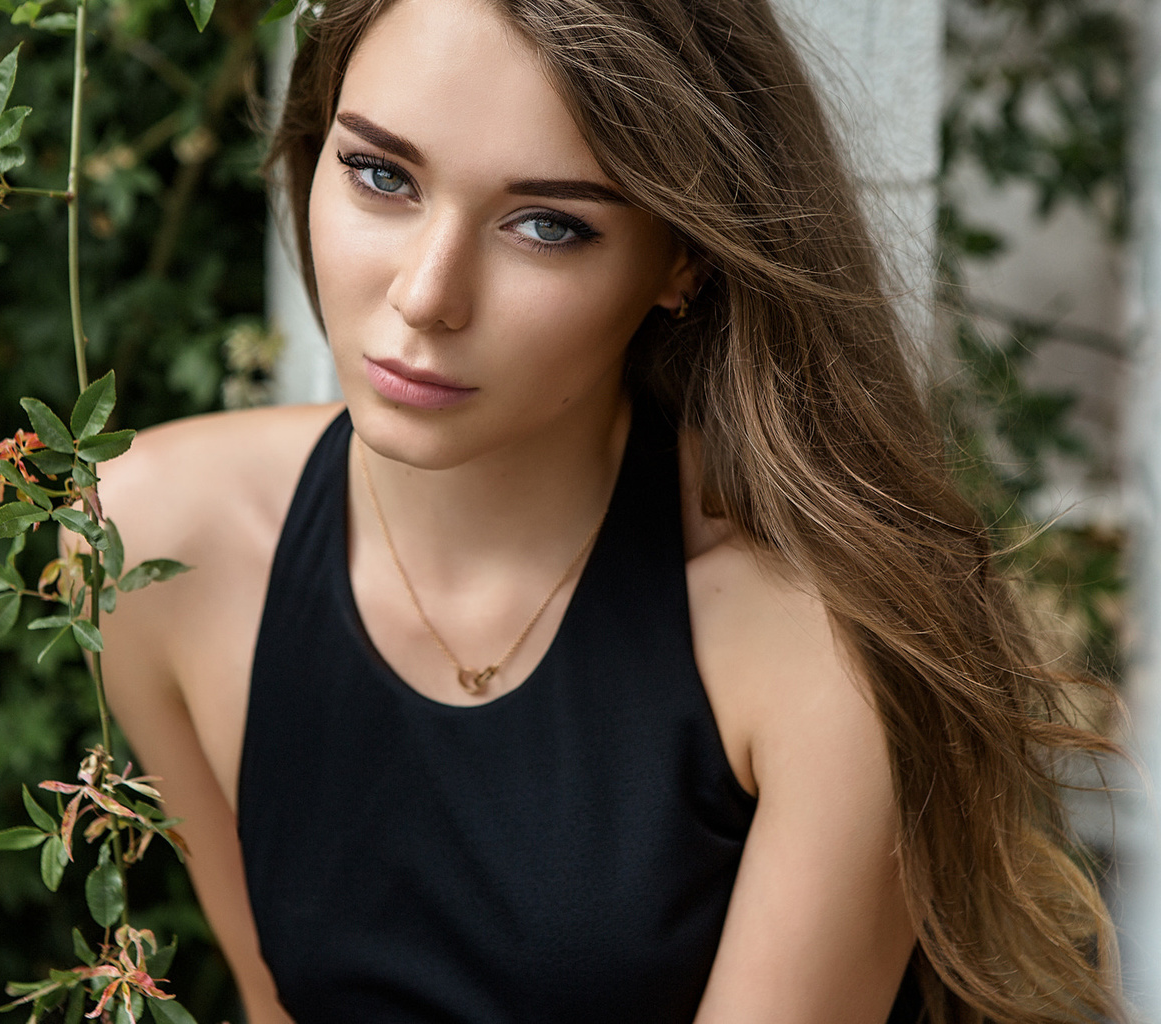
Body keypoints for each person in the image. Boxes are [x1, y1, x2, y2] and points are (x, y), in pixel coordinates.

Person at [93, 0, 1126, 1021]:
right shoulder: (149, 540)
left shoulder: (815, 650)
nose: (425, 294)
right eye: (379, 174)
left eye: (547, 224)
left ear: (682, 257)